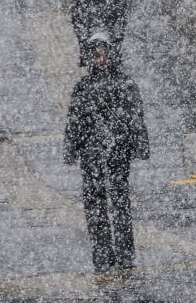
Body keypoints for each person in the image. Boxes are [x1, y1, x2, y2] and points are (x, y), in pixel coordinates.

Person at [64, 32, 150, 275]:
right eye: (96, 55)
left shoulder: (124, 84)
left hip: (117, 152)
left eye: (104, 54)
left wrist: (141, 144)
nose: (101, 60)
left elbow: (136, 117)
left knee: (119, 203)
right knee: (96, 204)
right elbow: (74, 121)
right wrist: (71, 147)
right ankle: (103, 255)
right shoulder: (83, 87)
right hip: (91, 154)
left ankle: (124, 255)